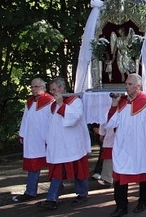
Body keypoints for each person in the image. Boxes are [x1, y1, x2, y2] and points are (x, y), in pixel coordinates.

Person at [105, 73, 146, 216]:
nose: (126, 86)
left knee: (144, 176)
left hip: (140, 147)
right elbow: (111, 123)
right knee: (120, 177)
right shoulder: (122, 102)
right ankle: (121, 206)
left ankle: (143, 202)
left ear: (138, 86)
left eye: (130, 84)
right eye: (126, 84)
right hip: (123, 147)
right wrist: (114, 104)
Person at [36, 77, 91, 210]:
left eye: (54, 89)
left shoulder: (75, 101)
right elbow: (51, 123)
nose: (52, 92)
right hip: (59, 145)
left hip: (73, 144)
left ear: (61, 88)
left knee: (79, 169)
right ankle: (52, 199)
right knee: (57, 171)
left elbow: (74, 118)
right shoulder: (53, 104)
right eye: (51, 90)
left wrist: (61, 104)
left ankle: (82, 194)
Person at [12, 78, 54, 203]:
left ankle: (56, 185)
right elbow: (25, 119)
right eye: (32, 87)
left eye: (36, 87)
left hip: (45, 138)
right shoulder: (29, 102)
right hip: (32, 139)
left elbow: (52, 121)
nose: (33, 89)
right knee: (33, 165)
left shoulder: (50, 101)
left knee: (53, 163)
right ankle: (31, 191)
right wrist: (22, 134)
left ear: (43, 87)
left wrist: (50, 137)